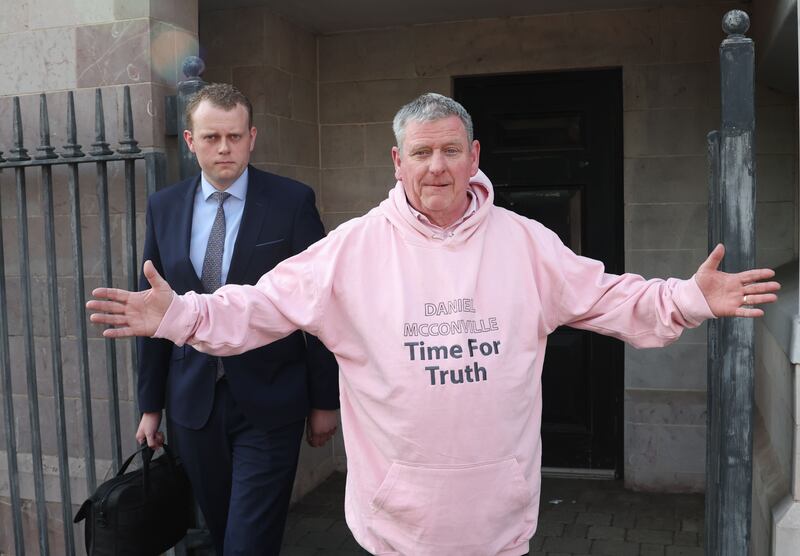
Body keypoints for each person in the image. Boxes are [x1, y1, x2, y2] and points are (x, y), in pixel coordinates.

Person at [89, 93, 779, 556]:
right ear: (398, 162)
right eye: (421, 153)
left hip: (498, 519)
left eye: (451, 150)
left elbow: (608, 297)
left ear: (475, 156)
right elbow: (259, 307)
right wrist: (180, 314)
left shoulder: (525, 243)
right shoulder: (353, 249)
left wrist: (689, 298)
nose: (438, 166)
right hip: (397, 523)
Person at [134, 83, 339, 555]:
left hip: (270, 401)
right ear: (190, 141)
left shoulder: (291, 202)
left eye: (234, 136)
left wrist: (324, 399)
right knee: (221, 532)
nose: (223, 148)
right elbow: (153, 310)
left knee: (248, 542)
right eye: (210, 137)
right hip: (193, 405)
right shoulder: (164, 207)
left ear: (252, 137)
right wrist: (150, 404)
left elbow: (322, 307)